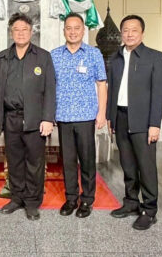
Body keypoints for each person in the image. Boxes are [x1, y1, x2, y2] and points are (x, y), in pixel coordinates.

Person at [0, 13, 56, 220]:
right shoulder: (1, 58)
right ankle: (17, 197)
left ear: (32, 32)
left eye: (25, 29)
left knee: (35, 162)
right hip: (10, 118)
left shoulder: (43, 57)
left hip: (35, 119)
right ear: (11, 32)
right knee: (14, 161)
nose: (20, 33)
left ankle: (32, 202)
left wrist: (48, 118)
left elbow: (50, 89)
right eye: (16, 30)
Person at [106, 15, 162, 230]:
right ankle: (131, 202)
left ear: (142, 33)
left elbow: (159, 93)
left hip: (143, 119)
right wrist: (111, 117)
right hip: (121, 117)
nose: (129, 34)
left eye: (134, 30)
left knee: (146, 166)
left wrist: (154, 124)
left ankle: (149, 210)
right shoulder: (116, 58)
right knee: (127, 164)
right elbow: (111, 89)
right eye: (125, 30)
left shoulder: (154, 57)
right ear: (121, 33)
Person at [50, 13, 107, 218]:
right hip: (63, 116)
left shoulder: (93, 54)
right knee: (68, 161)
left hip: (86, 116)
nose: (72, 32)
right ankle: (71, 198)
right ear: (64, 30)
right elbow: (49, 86)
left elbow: (101, 84)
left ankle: (87, 199)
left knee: (87, 160)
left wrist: (102, 112)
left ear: (83, 30)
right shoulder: (55, 55)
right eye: (69, 28)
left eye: (77, 28)